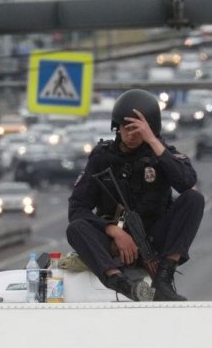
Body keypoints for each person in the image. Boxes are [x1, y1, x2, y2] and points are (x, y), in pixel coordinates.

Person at [66, 89, 204, 301]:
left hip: (153, 239)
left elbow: (187, 183)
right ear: (117, 127)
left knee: (195, 199)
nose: (130, 135)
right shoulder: (103, 157)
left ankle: (163, 280)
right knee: (76, 228)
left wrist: (153, 141)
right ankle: (121, 283)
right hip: (115, 243)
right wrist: (113, 232)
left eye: (138, 130)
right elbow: (77, 208)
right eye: (126, 129)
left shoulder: (162, 154)